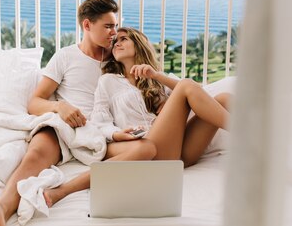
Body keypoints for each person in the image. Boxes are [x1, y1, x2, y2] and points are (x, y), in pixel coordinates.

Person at [0, 0, 155, 226]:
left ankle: (64, 189)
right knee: (35, 155)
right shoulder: (66, 56)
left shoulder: (118, 56)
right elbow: (35, 102)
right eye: (108, 26)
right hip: (66, 128)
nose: (114, 33)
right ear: (87, 25)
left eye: (115, 26)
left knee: (145, 149)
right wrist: (59, 106)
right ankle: (1, 209)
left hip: (102, 133)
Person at [41, 27, 232, 207]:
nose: (116, 43)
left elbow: (199, 94)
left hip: (182, 151)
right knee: (185, 87)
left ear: (139, 43)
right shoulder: (108, 81)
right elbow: (100, 122)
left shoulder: (156, 79)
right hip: (154, 149)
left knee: (223, 98)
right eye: (115, 41)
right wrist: (117, 134)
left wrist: (156, 76)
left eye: (124, 39)